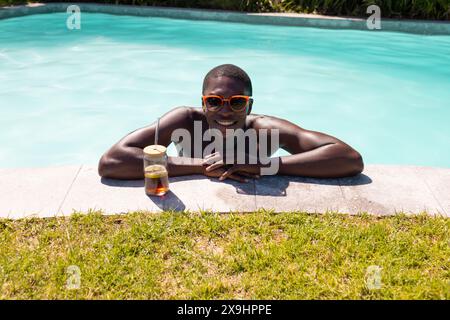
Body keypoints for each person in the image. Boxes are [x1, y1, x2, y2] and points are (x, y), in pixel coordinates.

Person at [99, 64, 363, 182]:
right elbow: (112, 162)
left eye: (236, 102)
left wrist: (265, 166)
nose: (225, 110)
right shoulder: (185, 120)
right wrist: (202, 166)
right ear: (202, 103)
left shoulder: (264, 128)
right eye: (214, 101)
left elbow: (348, 158)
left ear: (250, 105)